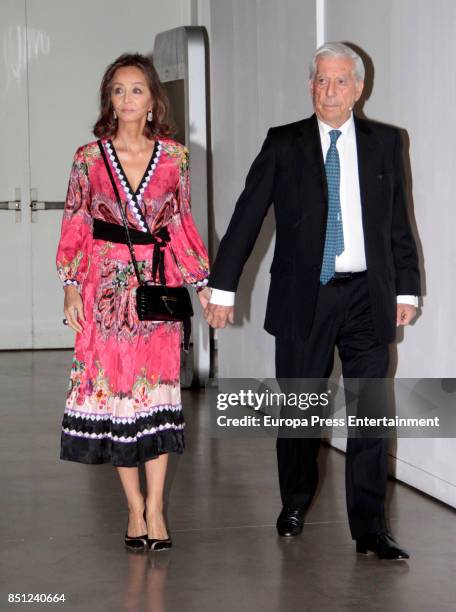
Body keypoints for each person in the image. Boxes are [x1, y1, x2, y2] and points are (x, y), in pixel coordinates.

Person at [205, 42, 421, 560]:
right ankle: (295, 501)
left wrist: (407, 288)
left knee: (371, 409)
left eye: (340, 81)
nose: (330, 90)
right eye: (321, 80)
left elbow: (398, 223)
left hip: (369, 295)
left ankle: (371, 528)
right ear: (310, 86)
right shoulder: (285, 144)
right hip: (306, 296)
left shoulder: (387, 143)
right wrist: (222, 286)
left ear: (359, 88)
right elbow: (246, 217)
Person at [56, 53, 211, 552]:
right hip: (102, 292)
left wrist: (205, 283)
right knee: (118, 400)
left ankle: (158, 506)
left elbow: (183, 224)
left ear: (152, 100)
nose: (126, 99)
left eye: (136, 89)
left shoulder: (176, 158)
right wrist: (69, 283)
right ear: (110, 99)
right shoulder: (87, 158)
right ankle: (133, 506)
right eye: (118, 90)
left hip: (156, 294)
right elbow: (77, 223)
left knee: (155, 397)